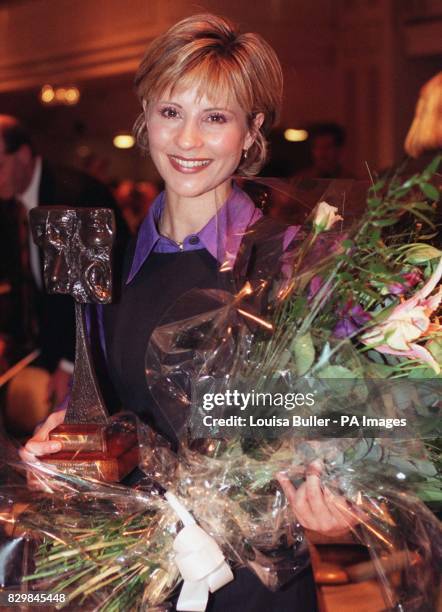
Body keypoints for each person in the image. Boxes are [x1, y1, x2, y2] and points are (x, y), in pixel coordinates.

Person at [21, 14, 356, 611]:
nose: (188, 140)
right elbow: (101, 410)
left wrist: (342, 508)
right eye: (171, 112)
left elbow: (356, 428)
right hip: (139, 577)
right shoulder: (111, 269)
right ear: (144, 116)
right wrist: (61, 452)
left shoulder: (294, 264)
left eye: (216, 118)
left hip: (259, 583)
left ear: (252, 133)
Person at [0, 116, 129, 423]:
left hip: (90, 351)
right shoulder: (8, 204)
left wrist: (71, 364)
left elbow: (99, 291)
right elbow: (22, 283)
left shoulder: (78, 195)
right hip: (44, 345)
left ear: (23, 156)